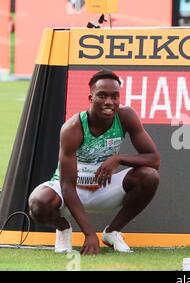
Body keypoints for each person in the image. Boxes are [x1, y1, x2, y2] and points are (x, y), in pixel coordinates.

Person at [28, 70, 160, 255]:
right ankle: (64, 229)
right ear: (91, 98)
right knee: (38, 203)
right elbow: (66, 186)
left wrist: (118, 158)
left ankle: (112, 232)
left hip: (103, 186)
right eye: (102, 96)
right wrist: (89, 234)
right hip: (72, 189)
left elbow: (154, 159)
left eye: (114, 96)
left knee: (149, 176)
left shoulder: (126, 116)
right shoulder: (73, 128)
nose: (109, 102)